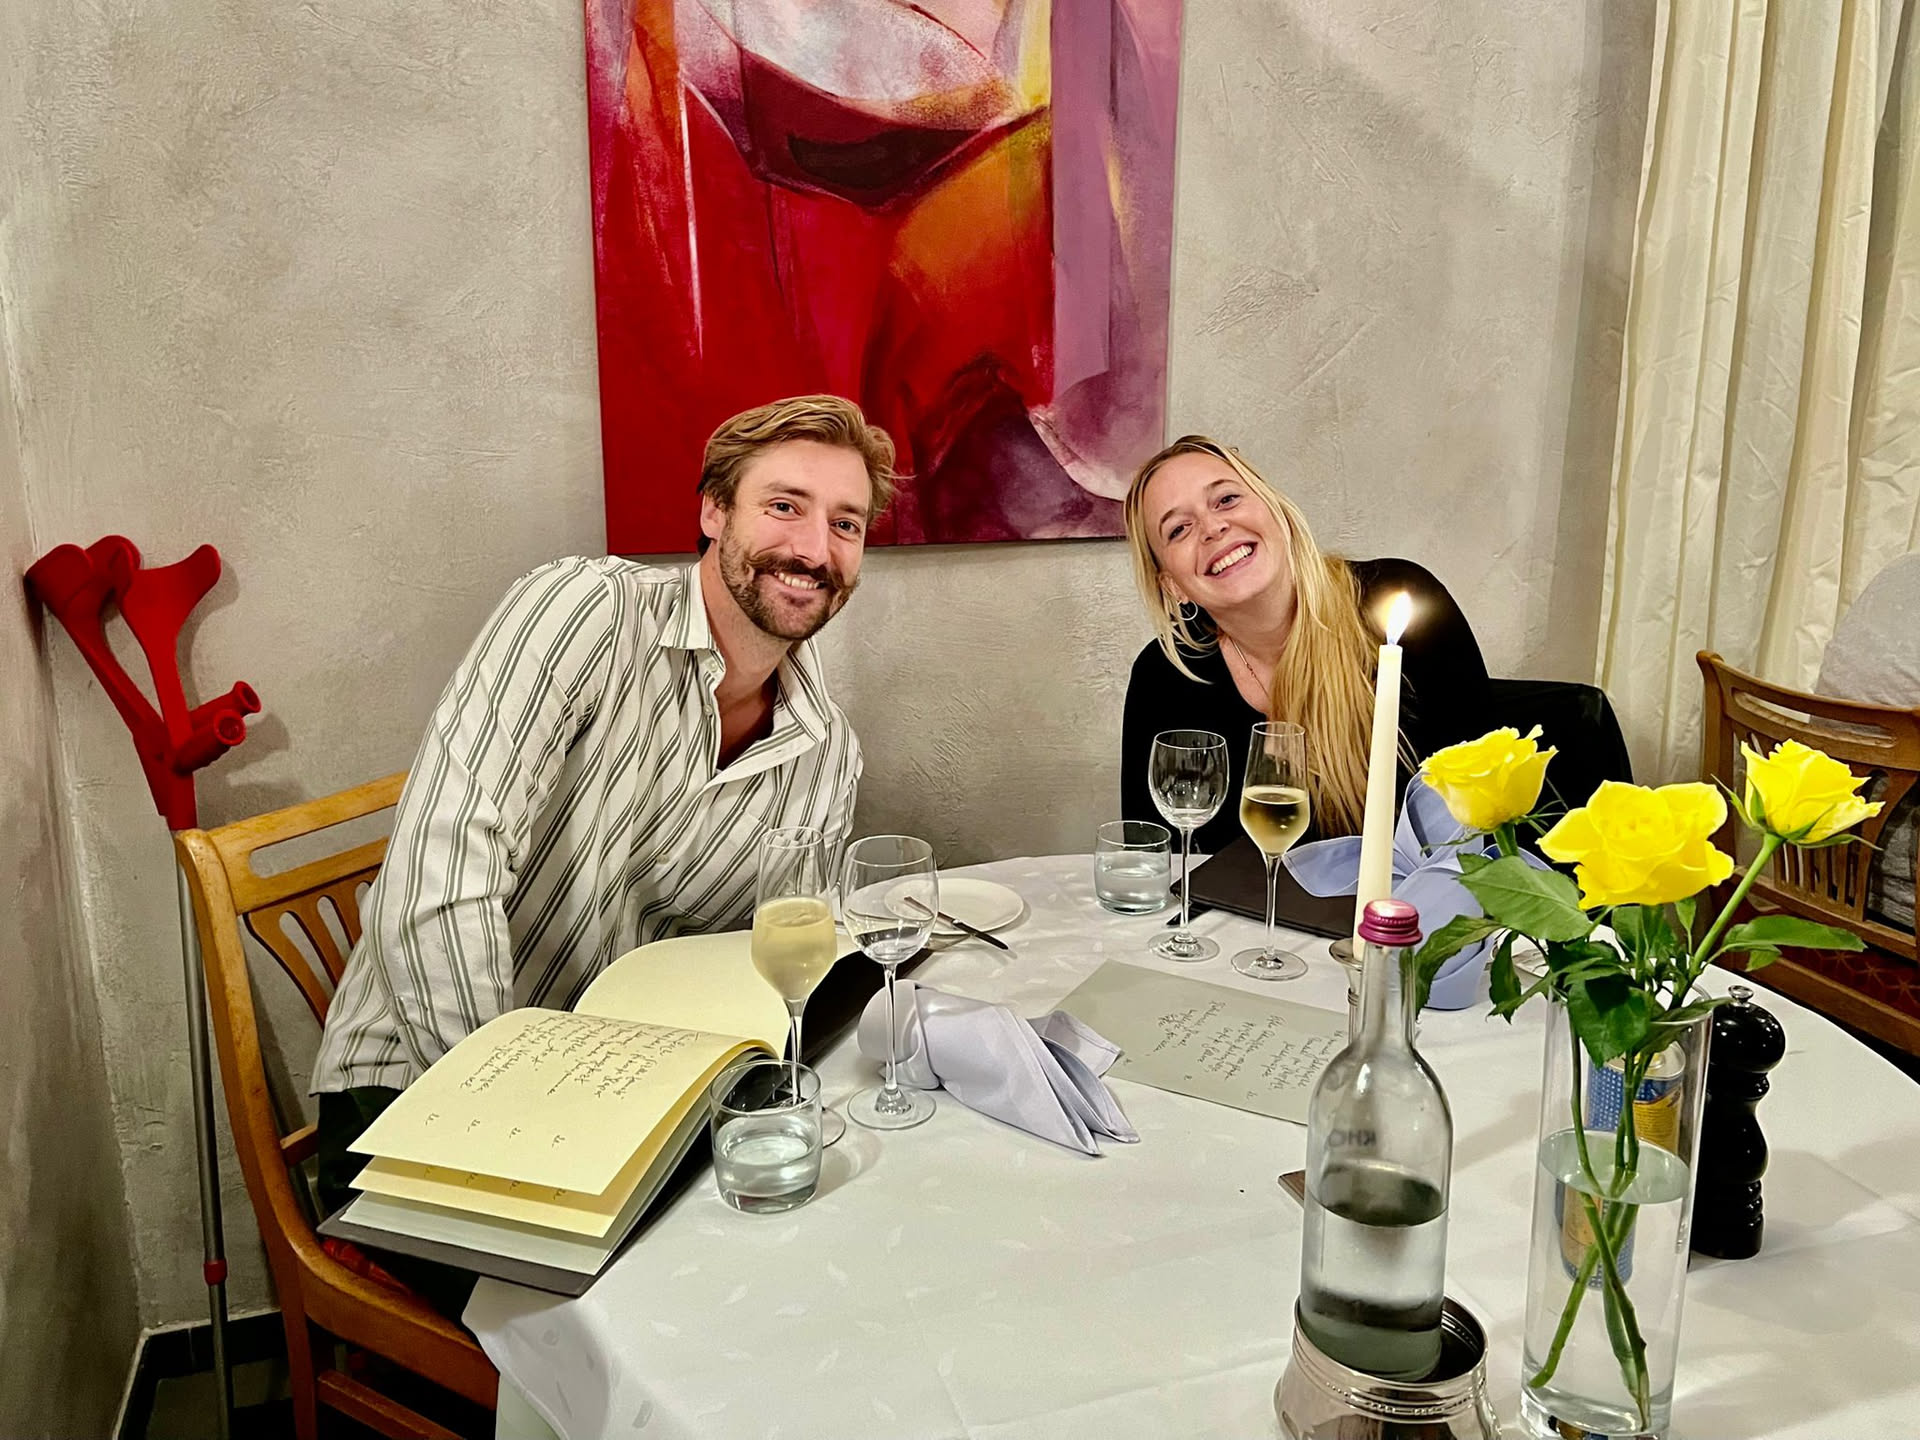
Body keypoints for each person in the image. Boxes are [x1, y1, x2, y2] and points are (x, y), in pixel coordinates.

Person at [311, 395, 895, 1232]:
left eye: (846, 524)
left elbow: (762, 969)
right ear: (713, 510)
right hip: (420, 1085)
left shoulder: (826, 752)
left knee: (814, 1223)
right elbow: (440, 868)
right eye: (783, 507)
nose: (813, 549)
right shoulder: (583, 613)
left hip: (625, 1097)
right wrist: (514, 1116)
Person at [1120, 436, 1492, 854]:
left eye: (1226, 499)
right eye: (1179, 529)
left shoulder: (1400, 608)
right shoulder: (1163, 678)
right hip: (1237, 902)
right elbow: (1151, 858)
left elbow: (1487, 819)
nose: (1213, 528)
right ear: (1172, 585)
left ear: (1276, 510)